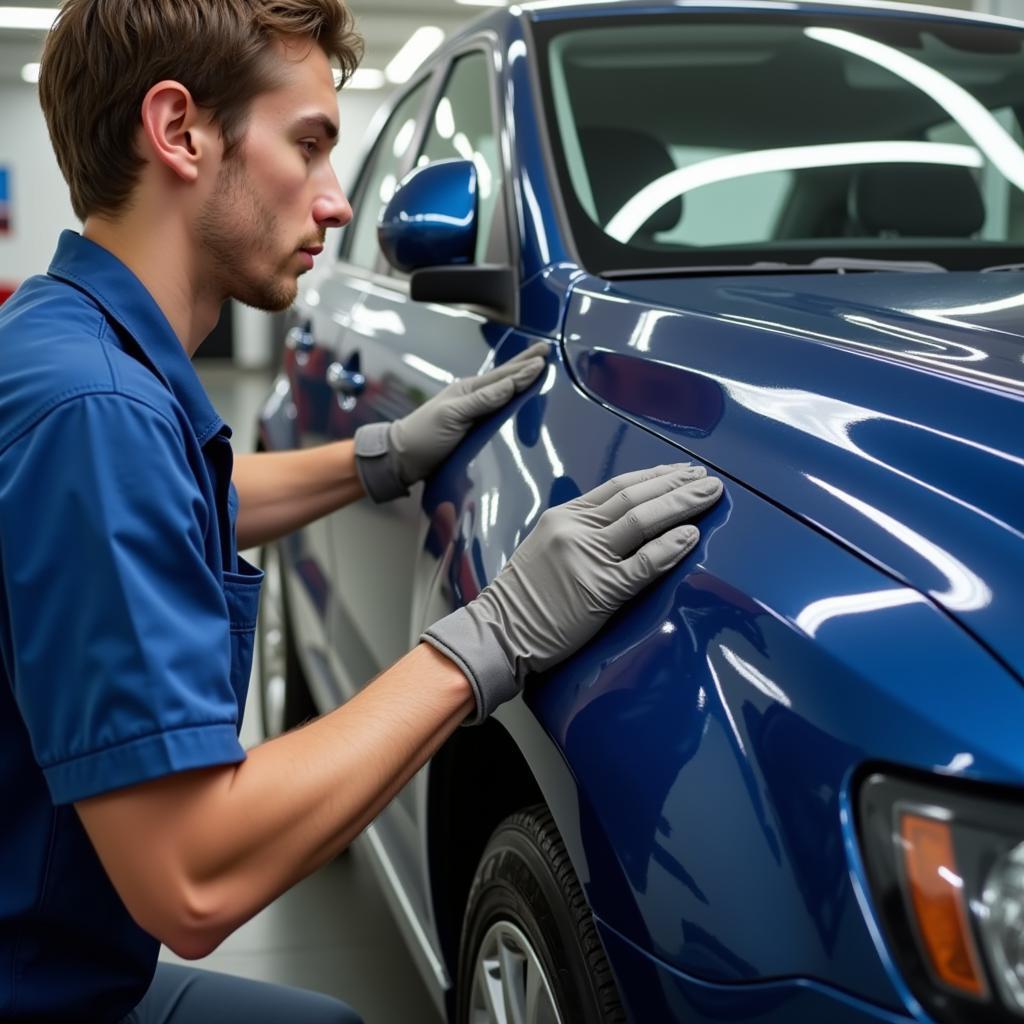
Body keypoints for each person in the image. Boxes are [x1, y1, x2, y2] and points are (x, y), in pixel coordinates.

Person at [0, 0, 724, 1020]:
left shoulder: (61, 339)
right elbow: (192, 876)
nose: (340, 206)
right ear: (178, 131)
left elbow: (170, 504)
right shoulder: (98, 410)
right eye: (308, 145)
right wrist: (487, 638)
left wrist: (377, 457)